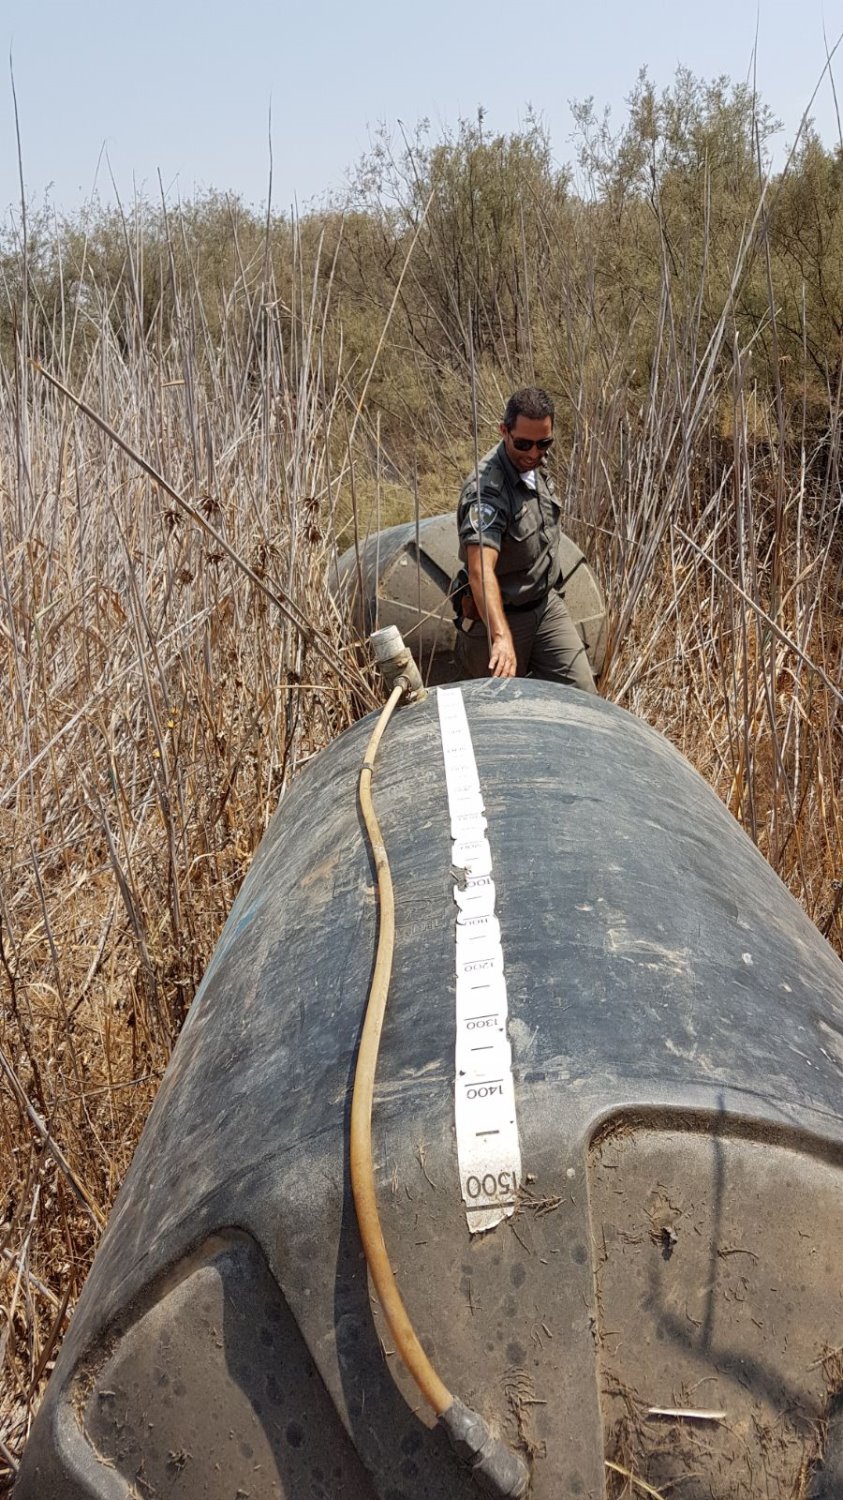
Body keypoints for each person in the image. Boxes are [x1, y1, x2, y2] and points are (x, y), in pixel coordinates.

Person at [453, 387, 597, 692]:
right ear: (504, 431)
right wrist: (501, 636)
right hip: (500, 617)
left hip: (545, 607)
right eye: (523, 444)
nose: (533, 453)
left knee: (583, 696)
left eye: (543, 443)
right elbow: (480, 571)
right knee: (494, 714)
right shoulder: (487, 490)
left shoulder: (535, 466)